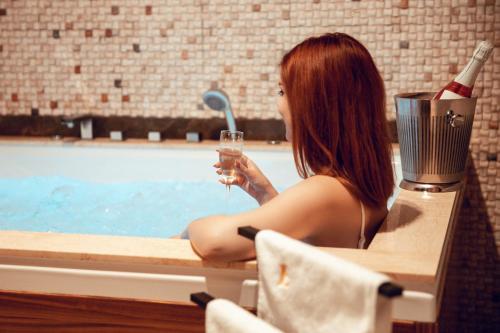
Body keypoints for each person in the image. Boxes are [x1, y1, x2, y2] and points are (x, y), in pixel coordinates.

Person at [186, 32, 395, 261]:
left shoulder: (324, 192)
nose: (278, 104)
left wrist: (190, 228)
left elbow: (216, 243)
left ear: (314, 106)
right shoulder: (358, 183)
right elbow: (315, 234)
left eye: (282, 91)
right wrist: (266, 193)